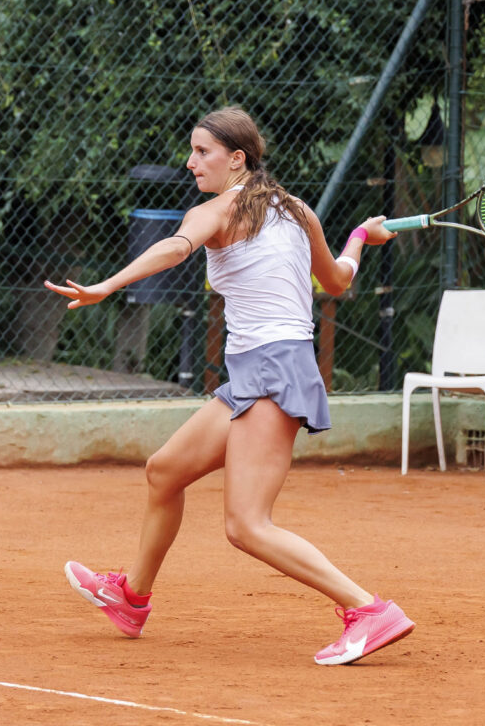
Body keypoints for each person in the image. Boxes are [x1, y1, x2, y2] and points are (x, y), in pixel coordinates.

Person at [44, 107, 414, 665]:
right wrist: (360, 236)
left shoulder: (219, 210)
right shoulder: (297, 210)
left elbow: (175, 247)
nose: (191, 162)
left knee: (246, 524)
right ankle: (131, 596)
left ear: (236, 159)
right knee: (165, 471)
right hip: (259, 371)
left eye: (202, 152)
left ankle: (366, 608)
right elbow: (337, 280)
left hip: (270, 369)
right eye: (192, 151)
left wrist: (108, 284)